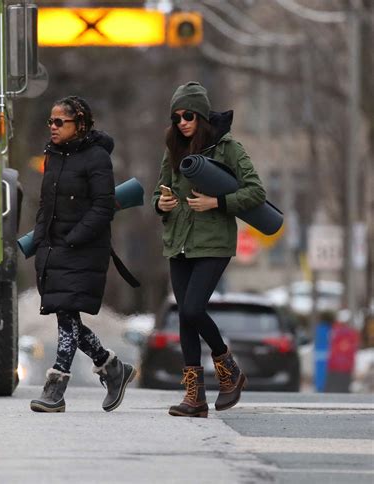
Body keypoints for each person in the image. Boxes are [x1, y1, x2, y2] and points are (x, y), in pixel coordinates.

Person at [152, 82, 266, 418]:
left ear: (201, 115)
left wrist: (216, 202)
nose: (182, 122)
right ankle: (195, 398)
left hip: (213, 243)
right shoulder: (172, 148)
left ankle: (228, 370)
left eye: (188, 115)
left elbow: (255, 192)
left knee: (191, 310)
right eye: (176, 118)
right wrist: (162, 203)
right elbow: (158, 194)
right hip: (179, 242)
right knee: (185, 320)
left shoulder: (227, 147)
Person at [30, 95, 136, 413]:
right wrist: (38, 238)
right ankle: (111, 367)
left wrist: (74, 238)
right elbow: (45, 204)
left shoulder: (96, 157)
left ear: (80, 125)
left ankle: (57, 384)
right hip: (54, 247)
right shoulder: (53, 155)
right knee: (67, 314)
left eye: (60, 121)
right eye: (50, 121)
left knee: (67, 314)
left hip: (84, 249)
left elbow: (103, 207)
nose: (53, 127)